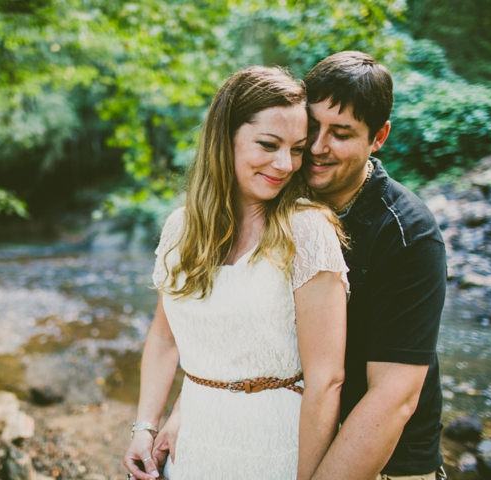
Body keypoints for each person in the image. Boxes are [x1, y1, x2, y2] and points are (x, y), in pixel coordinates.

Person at [152, 52, 448, 480]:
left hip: (382, 460)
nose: (317, 148)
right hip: (294, 438)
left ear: (379, 136)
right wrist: (191, 407)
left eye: (342, 133)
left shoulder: (407, 234)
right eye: (312, 129)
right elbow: (236, 328)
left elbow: (394, 398)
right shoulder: (277, 197)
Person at [122, 66, 350, 480]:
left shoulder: (308, 230)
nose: (285, 164)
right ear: (224, 138)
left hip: (276, 450)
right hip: (191, 448)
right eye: (268, 144)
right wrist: (145, 427)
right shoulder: (180, 229)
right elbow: (163, 336)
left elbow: (327, 380)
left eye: (297, 149)